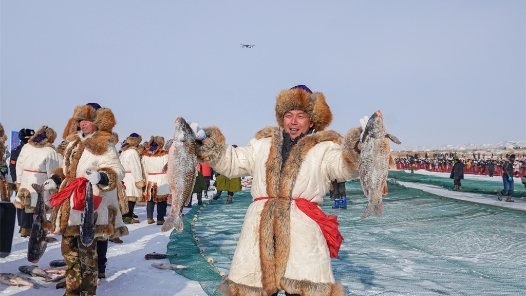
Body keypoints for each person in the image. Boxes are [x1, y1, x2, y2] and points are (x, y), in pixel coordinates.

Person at [191, 85, 364, 295]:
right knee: (257, 288)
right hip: (259, 229)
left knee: (301, 289)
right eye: (288, 115)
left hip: (302, 229)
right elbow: (233, 161)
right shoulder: (263, 143)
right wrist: (206, 142)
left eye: (300, 115)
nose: (293, 121)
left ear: (312, 120)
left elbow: (342, 167)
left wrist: (359, 150)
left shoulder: (324, 147)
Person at [44, 103, 128, 295]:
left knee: (87, 256)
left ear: (97, 122)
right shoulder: (73, 144)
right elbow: (65, 170)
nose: (83, 124)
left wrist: (102, 177)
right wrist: (55, 179)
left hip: (90, 204)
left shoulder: (104, 144)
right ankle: (72, 290)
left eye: (88, 120)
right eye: (81, 120)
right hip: (70, 205)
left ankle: (87, 292)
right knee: (69, 252)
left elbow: (117, 170)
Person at [13, 126, 60, 237]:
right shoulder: (50, 151)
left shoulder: (26, 147)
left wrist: (19, 180)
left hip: (25, 178)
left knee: (26, 203)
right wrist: (53, 187)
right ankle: (37, 228)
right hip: (40, 179)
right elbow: (52, 170)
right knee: (39, 206)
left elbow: (19, 165)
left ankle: (25, 228)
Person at [141, 135, 169, 225]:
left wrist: (146, 177)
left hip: (150, 177)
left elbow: (144, 168)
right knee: (161, 199)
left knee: (150, 199)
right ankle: (160, 218)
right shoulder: (165, 154)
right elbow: (168, 167)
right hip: (162, 178)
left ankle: (149, 217)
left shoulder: (145, 155)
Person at [119, 133, 145, 224]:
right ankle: (128, 217)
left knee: (125, 198)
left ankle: (123, 215)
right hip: (131, 176)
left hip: (124, 176)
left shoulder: (124, 151)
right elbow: (136, 167)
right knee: (131, 198)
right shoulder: (133, 152)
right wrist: (139, 180)